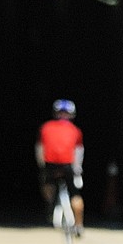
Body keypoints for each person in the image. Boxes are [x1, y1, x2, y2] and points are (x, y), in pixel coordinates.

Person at [35, 99, 85, 233]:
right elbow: (79, 153)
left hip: (50, 165)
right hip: (68, 166)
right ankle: (79, 225)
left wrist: (42, 167)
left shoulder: (45, 127)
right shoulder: (75, 131)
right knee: (75, 194)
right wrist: (77, 171)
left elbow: (40, 150)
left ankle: (50, 205)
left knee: (47, 185)